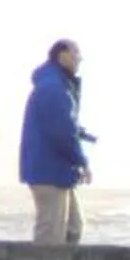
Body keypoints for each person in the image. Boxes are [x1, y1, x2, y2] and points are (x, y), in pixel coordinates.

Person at [19, 38, 96, 245]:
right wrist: (82, 161)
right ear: (63, 56)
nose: (80, 59)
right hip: (48, 172)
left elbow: (62, 125)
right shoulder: (53, 88)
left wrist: (78, 132)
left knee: (73, 227)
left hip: (57, 171)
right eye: (76, 54)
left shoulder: (56, 85)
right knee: (50, 236)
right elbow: (60, 133)